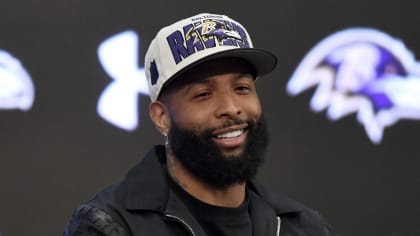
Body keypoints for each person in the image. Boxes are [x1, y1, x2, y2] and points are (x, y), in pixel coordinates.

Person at [63, 12, 333, 236]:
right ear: (161, 117)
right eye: (203, 94)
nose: (230, 108)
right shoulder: (108, 226)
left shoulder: (303, 227)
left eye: (241, 88)